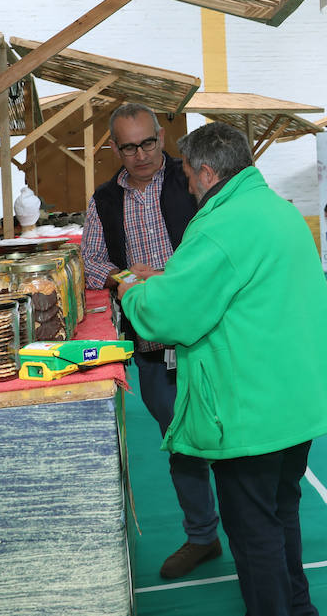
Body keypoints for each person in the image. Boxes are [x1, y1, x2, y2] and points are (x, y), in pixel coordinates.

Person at [118, 122, 327, 616]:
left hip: (253, 408)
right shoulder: (276, 209)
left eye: (186, 174)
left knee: (254, 534)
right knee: (281, 514)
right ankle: (298, 607)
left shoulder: (220, 224)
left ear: (207, 172)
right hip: (295, 401)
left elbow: (173, 316)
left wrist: (133, 293)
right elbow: (236, 283)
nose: (186, 184)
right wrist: (168, 279)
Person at [81, 101, 221, 580]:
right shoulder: (103, 200)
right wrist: (127, 280)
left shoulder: (196, 183)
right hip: (150, 348)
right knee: (180, 441)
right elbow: (92, 261)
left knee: (229, 434)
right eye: (128, 147)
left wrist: (165, 276)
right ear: (114, 148)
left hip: (209, 338)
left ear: (162, 137)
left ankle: (250, 534)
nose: (141, 154)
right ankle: (203, 535)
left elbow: (221, 249)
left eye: (148, 142)